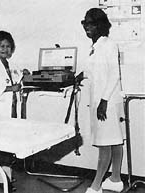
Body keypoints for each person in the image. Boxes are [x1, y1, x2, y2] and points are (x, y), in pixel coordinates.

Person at [81, 8, 125, 193]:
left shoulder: (109, 45)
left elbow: (114, 74)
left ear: (100, 25)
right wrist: (79, 76)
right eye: (85, 24)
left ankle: (96, 186)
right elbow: (95, 73)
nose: (87, 28)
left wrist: (104, 101)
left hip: (107, 101)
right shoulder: (95, 46)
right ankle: (115, 180)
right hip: (102, 100)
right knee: (114, 141)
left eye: (91, 24)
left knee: (105, 144)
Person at [0, 30, 29, 191]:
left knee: (8, 146)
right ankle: (2, 182)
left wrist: (23, 74)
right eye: (2, 46)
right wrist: (12, 88)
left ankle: (5, 179)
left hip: (10, 111)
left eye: (8, 46)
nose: (5, 49)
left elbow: (17, 78)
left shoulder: (10, 65)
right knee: (0, 148)